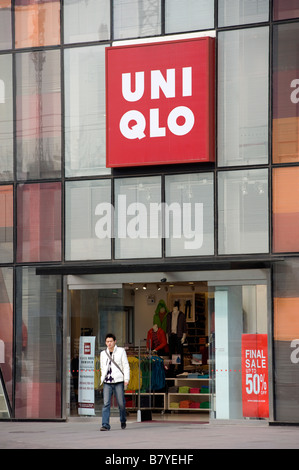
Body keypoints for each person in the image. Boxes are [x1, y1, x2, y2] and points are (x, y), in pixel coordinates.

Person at [100, 333, 130, 431]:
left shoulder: (121, 351)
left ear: (115, 341)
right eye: (107, 342)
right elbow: (102, 367)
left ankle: (123, 420)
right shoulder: (103, 353)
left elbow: (125, 365)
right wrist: (102, 378)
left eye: (111, 341)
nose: (109, 343)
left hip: (118, 380)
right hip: (107, 381)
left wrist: (126, 379)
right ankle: (105, 424)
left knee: (121, 403)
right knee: (106, 403)